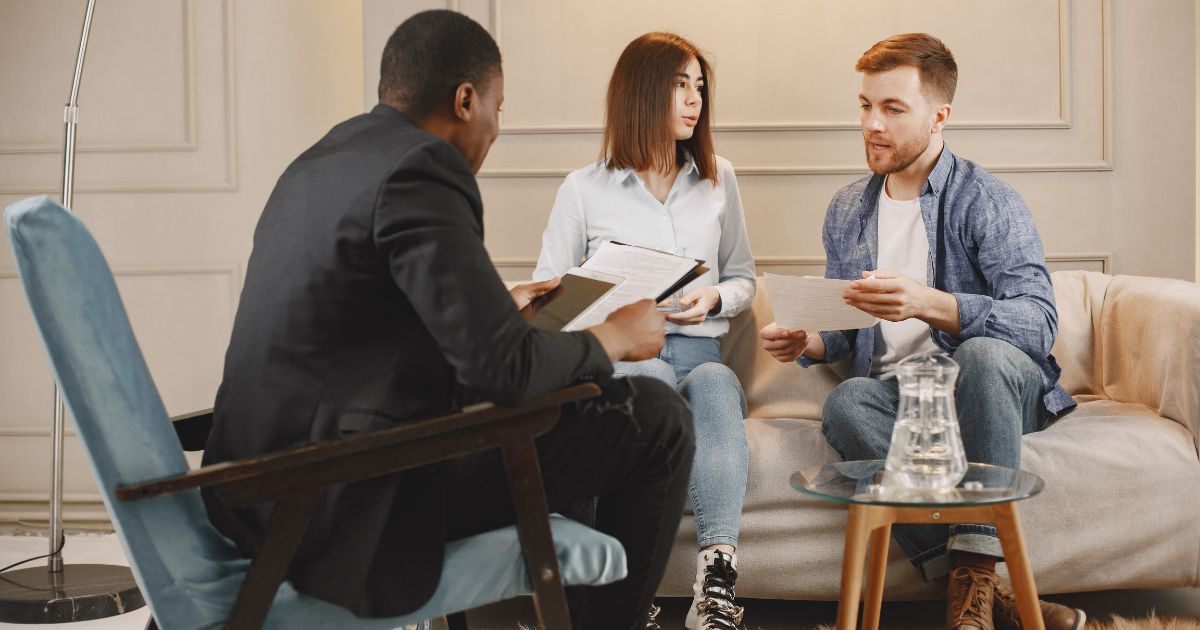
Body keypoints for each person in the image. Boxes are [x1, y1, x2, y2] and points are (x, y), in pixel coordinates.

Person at [201, 11, 695, 629]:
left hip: (256, 489)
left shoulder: (320, 160)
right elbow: (504, 371)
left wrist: (502, 306)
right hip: (342, 502)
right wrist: (616, 335)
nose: (495, 127)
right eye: (497, 107)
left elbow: (359, 330)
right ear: (465, 100)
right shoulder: (424, 167)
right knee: (657, 417)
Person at [758, 34, 1085, 630]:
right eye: (865, 106)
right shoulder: (847, 208)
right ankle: (975, 586)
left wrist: (929, 303)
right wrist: (808, 341)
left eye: (892, 109)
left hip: (989, 389)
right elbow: (848, 326)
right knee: (848, 401)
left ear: (940, 116)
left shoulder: (988, 200)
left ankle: (975, 580)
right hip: (905, 401)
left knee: (985, 355)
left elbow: (1037, 322)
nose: (872, 125)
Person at [534, 32, 756, 630]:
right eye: (680, 85)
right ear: (641, 93)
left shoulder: (718, 178)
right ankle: (631, 593)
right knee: (650, 376)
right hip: (629, 355)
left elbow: (744, 278)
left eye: (700, 88)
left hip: (701, 344)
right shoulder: (583, 187)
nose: (694, 101)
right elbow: (548, 301)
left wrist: (715, 295)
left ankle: (717, 581)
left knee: (712, 381)